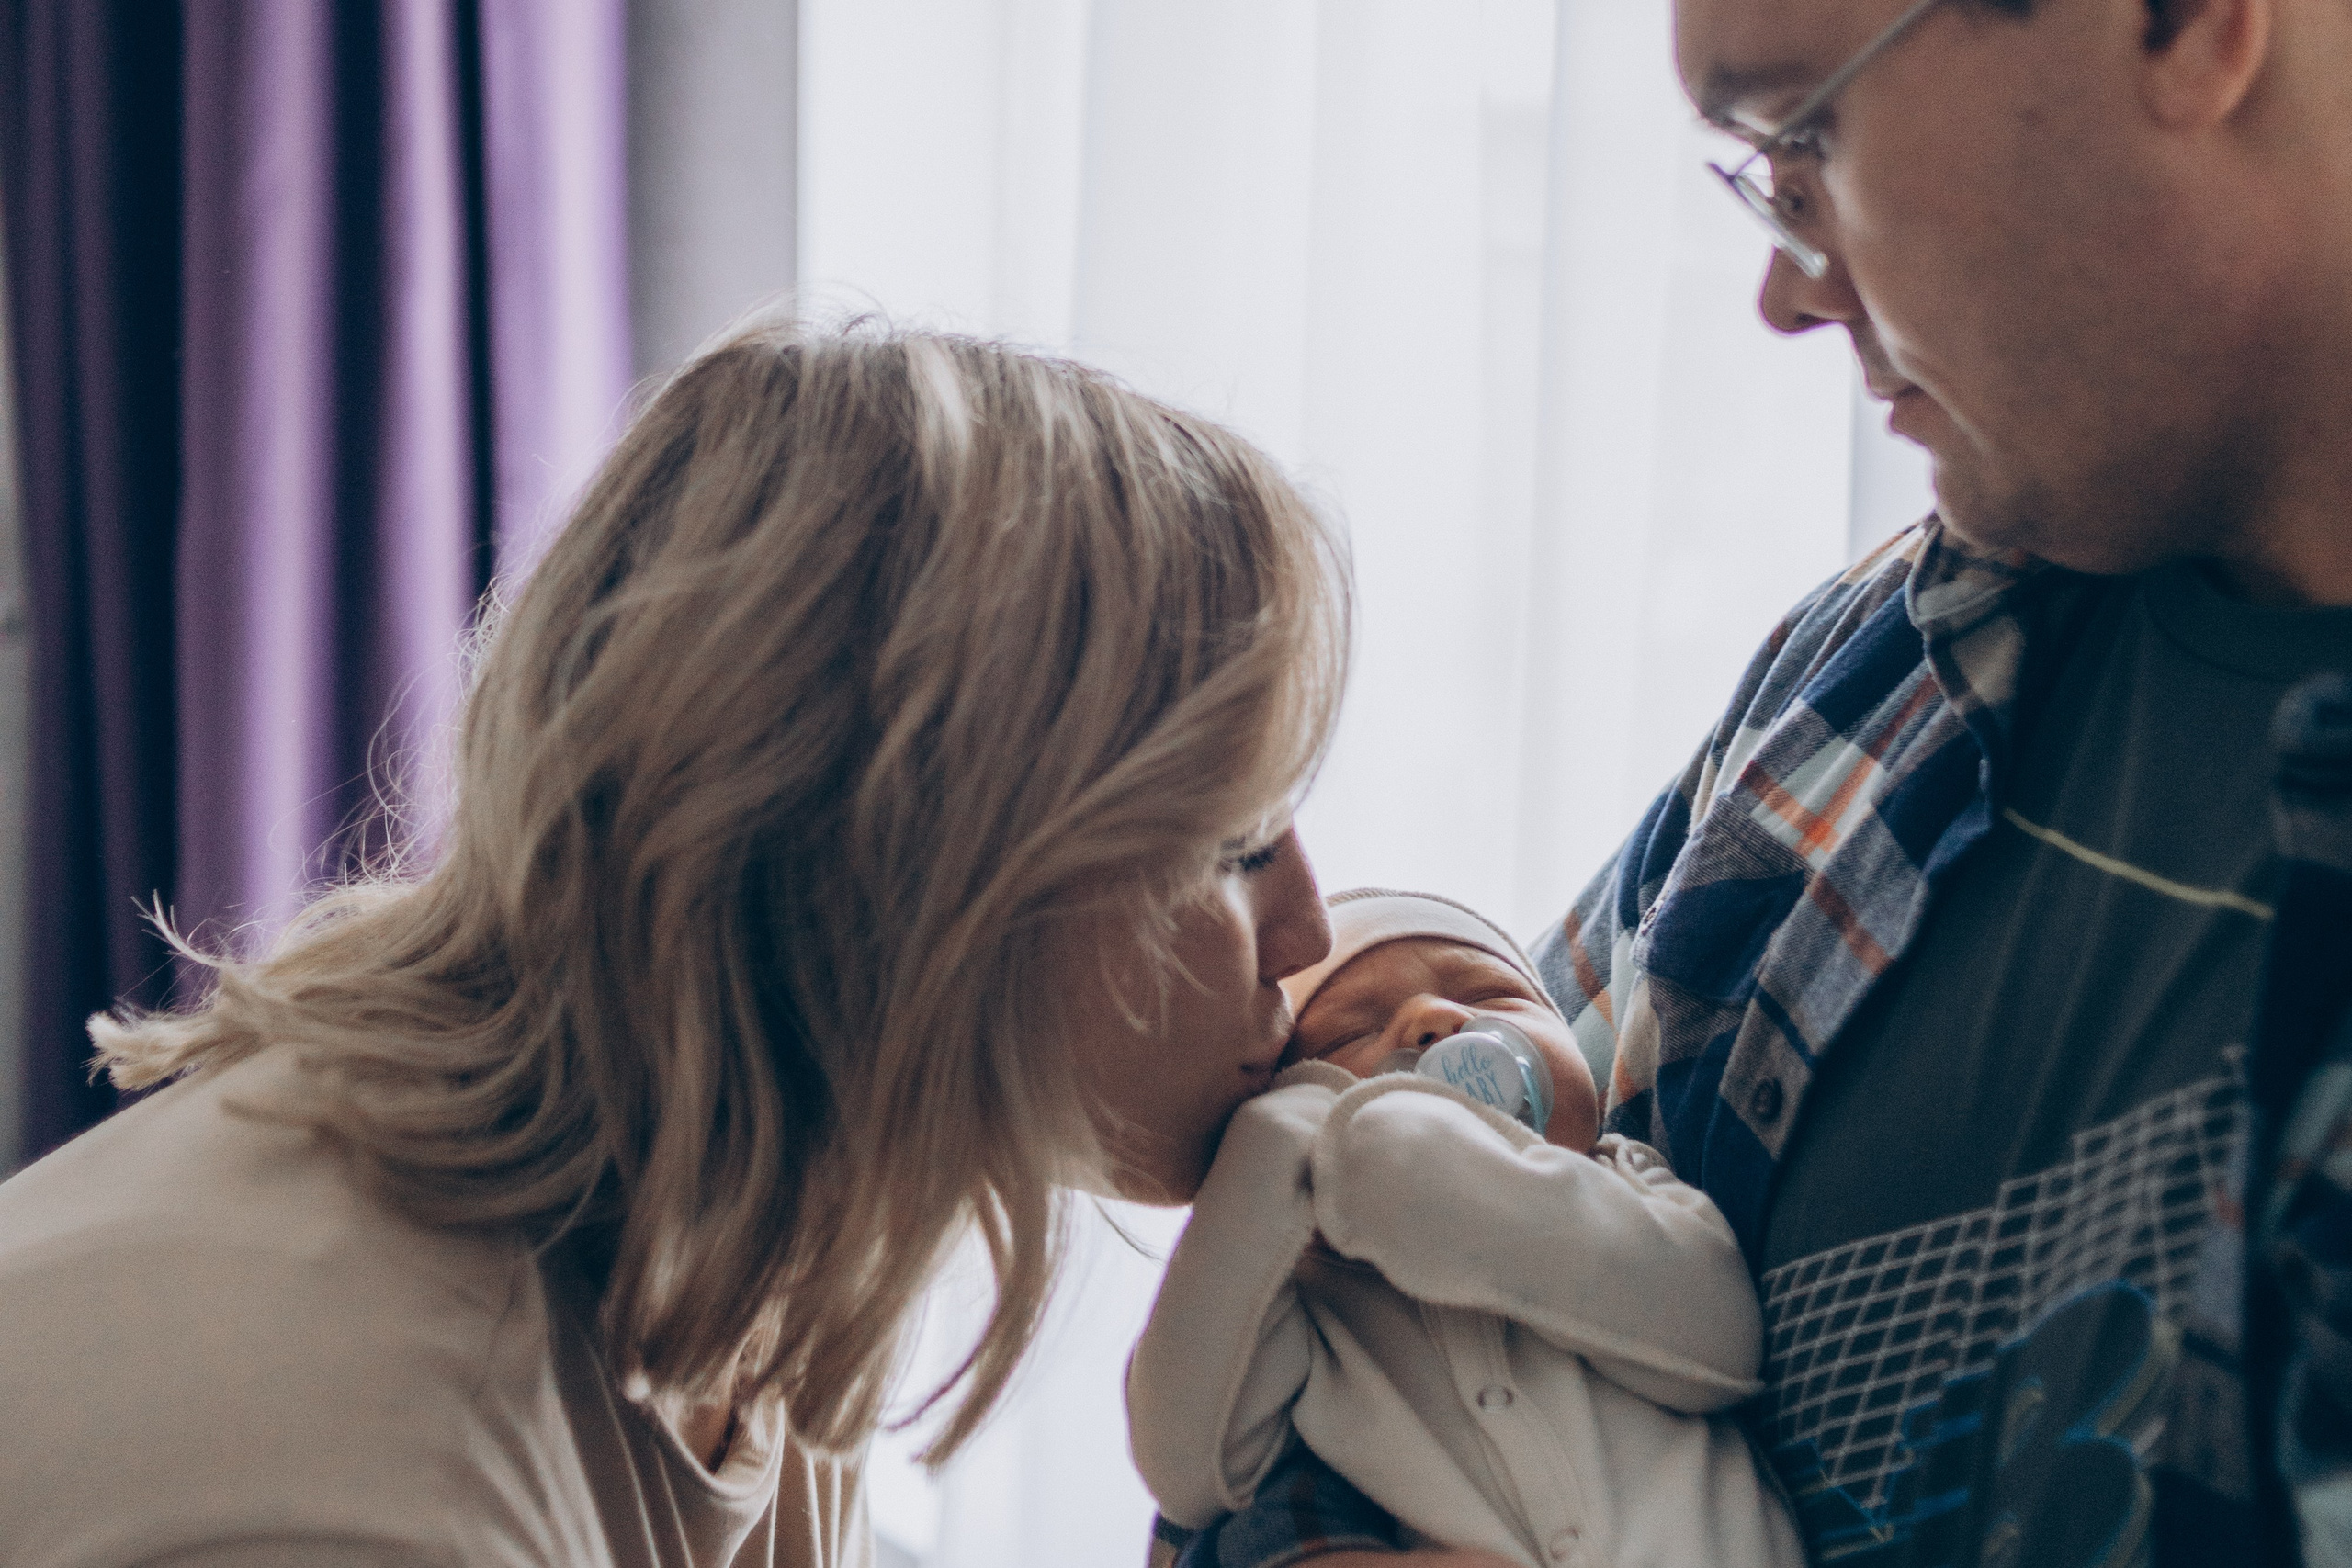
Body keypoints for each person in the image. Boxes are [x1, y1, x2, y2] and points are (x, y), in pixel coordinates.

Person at [1160, 0, 2352, 1564]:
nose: (1784, 291)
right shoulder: (1874, 674)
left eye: (1805, 137)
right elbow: (1362, 1306)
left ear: (2184, 22)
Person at [0, 321, 1351, 1568]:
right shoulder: (370, 1475)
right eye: (1234, 846)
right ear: (932, 874)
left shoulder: (768, 1232)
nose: (1309, 929)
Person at [1127, 890, 1803, 1568]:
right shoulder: (1308, 1300)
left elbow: (1723, 1345)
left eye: (1493, 995)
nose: (1435, 1019)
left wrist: (1433, 1165)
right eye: (1346, 1036)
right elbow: (1190, 1473)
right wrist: (1262, 1160)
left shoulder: (1623, 1178)